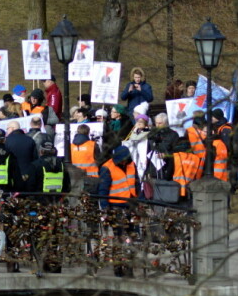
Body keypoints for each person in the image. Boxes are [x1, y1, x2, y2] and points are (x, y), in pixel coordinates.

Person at [97, 145, 139, 277]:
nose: (124, 162)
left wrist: (138, 199)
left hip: (130, 204)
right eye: (121, 160)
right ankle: (118, 266)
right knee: (118, 237)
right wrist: (105, 209)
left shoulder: (132, 165)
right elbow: (103, 191)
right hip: (116, 206)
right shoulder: (107, 167)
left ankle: (129, 265)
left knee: (132, 235)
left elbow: (136, 183)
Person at [4, 121, 38, 191]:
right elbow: (35, 159)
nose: (6, 131)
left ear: (12, 128)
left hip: (13, 175)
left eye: (7, 128)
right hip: (28, 174)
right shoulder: (30, 140)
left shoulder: (7, 141)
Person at [146, 113, 179, 180]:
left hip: (167, 167)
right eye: (156, 123)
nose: (157, 125)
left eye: (160, 123)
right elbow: (148, 150)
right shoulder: (152, 134)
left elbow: (177, 152)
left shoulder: (173, 135)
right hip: (153, 167)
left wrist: (166, 155)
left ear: (166, 123)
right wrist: (148, 171)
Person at [171, 139, 204, 203]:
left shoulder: (175, 156)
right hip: (189, 189)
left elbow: (169, 172)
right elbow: (198, 175)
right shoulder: (196, 158)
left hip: (176, 190)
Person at [71, 124, 100, 191]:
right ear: (88, 132)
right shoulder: (93, 145)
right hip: (91, 178)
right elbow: (100, 160)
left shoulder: (71, 146)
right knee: (91, 199)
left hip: (75, 178)